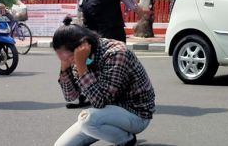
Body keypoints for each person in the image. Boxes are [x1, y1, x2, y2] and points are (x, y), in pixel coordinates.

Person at [53, 17, 155, 146]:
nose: (69, 61)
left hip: (135, 114)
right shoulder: (77, 59)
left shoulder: (116, 54)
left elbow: (100, 101)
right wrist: (64, 68)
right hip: (105, 113)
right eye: (62, 57)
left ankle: (126, 140)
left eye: (69, 57)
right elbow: (71, 97)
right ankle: (115, 133)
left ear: (82, 46)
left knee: (87, 120)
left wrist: (81, 66)